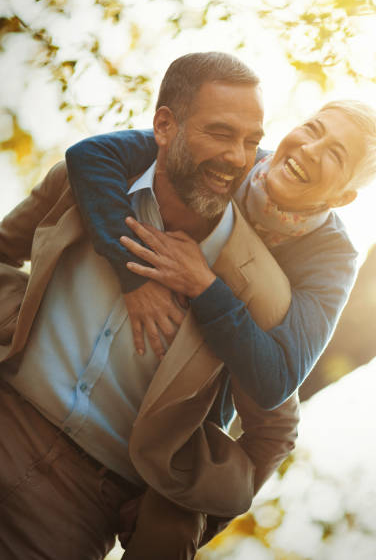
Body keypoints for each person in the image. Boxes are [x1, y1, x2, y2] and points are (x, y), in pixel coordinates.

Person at [0, 52, 300, 560]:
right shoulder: (82, 188)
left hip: (82, 506)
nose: (239, 157)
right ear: (165, 125)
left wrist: (192, 514)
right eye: (221, 133)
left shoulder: (259, 287)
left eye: (251, 141)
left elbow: (273, 429)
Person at [66, 98, 376, 413]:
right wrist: (133, 274)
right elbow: (93, 154)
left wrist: (204, 287)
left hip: (166, 414)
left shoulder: (333, 257)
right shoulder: (230, 152)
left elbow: (277, 381)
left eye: (335, 154)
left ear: (343, 197)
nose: (310, 149)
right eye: (313, 129)